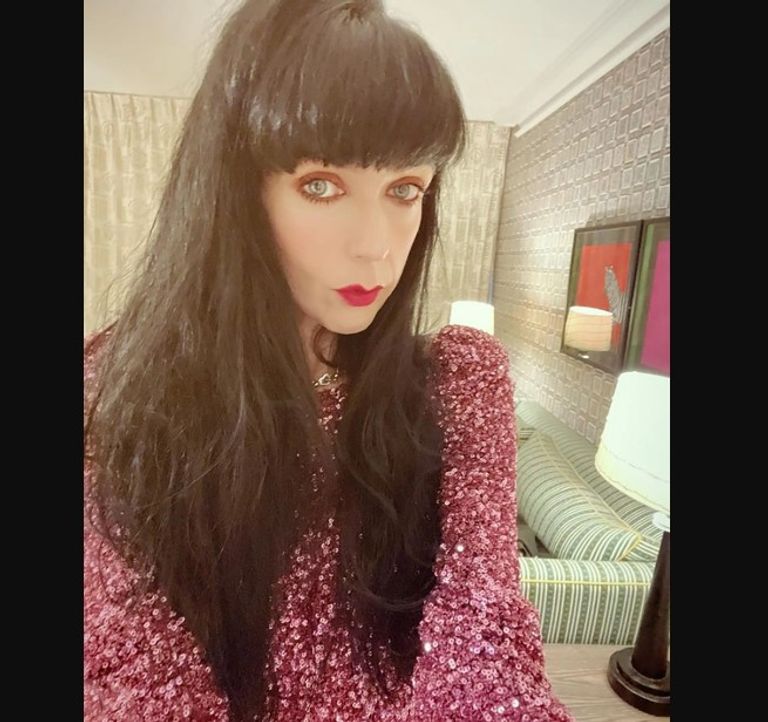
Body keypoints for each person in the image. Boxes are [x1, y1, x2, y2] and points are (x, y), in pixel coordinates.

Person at [84, 1, 575, 720]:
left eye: (404, 189)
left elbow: (484, 626)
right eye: (321, 184)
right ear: (237, 193)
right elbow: (130, 669)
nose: (376, 246)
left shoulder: (459, 380)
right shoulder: (115, 390)